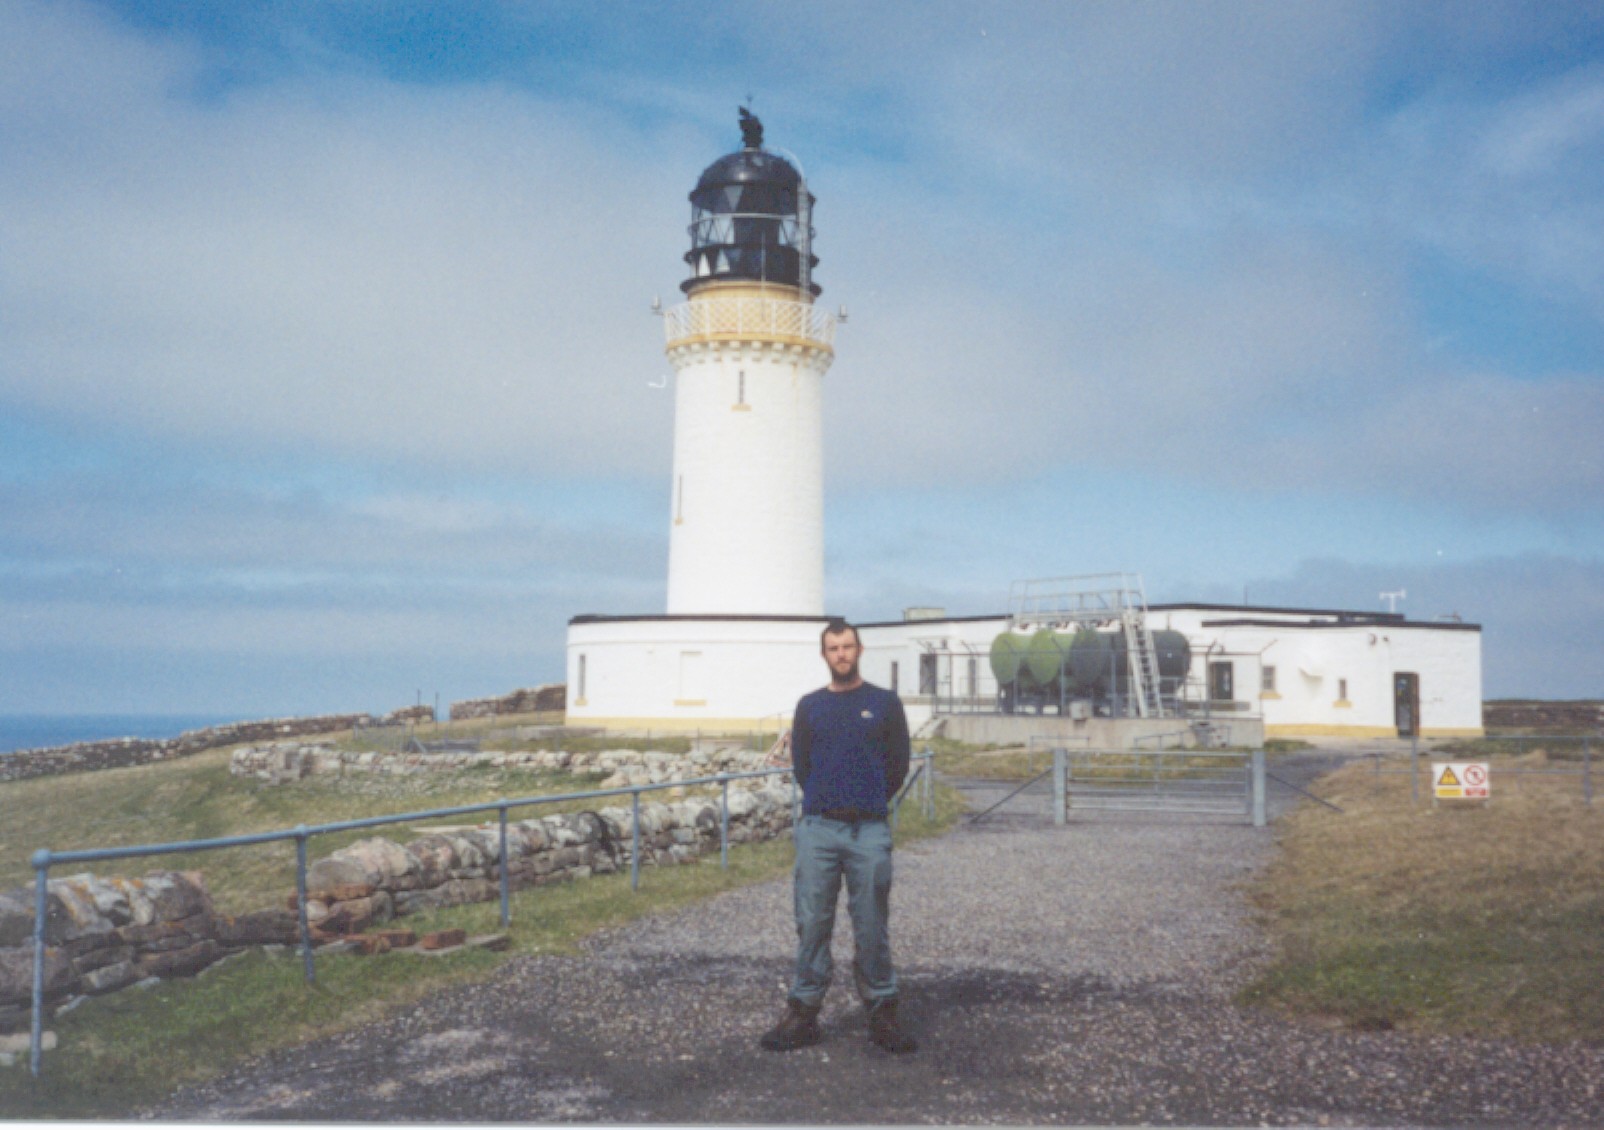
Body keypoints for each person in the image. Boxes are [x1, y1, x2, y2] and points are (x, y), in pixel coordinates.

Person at [759, 619, 917, 1054]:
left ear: (860, 650)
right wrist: (828, 799)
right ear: (824, 654)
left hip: (867, 829)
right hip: (819, 830)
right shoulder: (810, 706)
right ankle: (803, 1011)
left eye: (848, 646)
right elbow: (802, 767)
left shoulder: (884, 703)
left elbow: (898, 764)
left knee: (870, 922)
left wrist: (866, 798)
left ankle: (882, 1010)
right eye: (833, 648)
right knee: (812, 921)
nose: (841, 654)